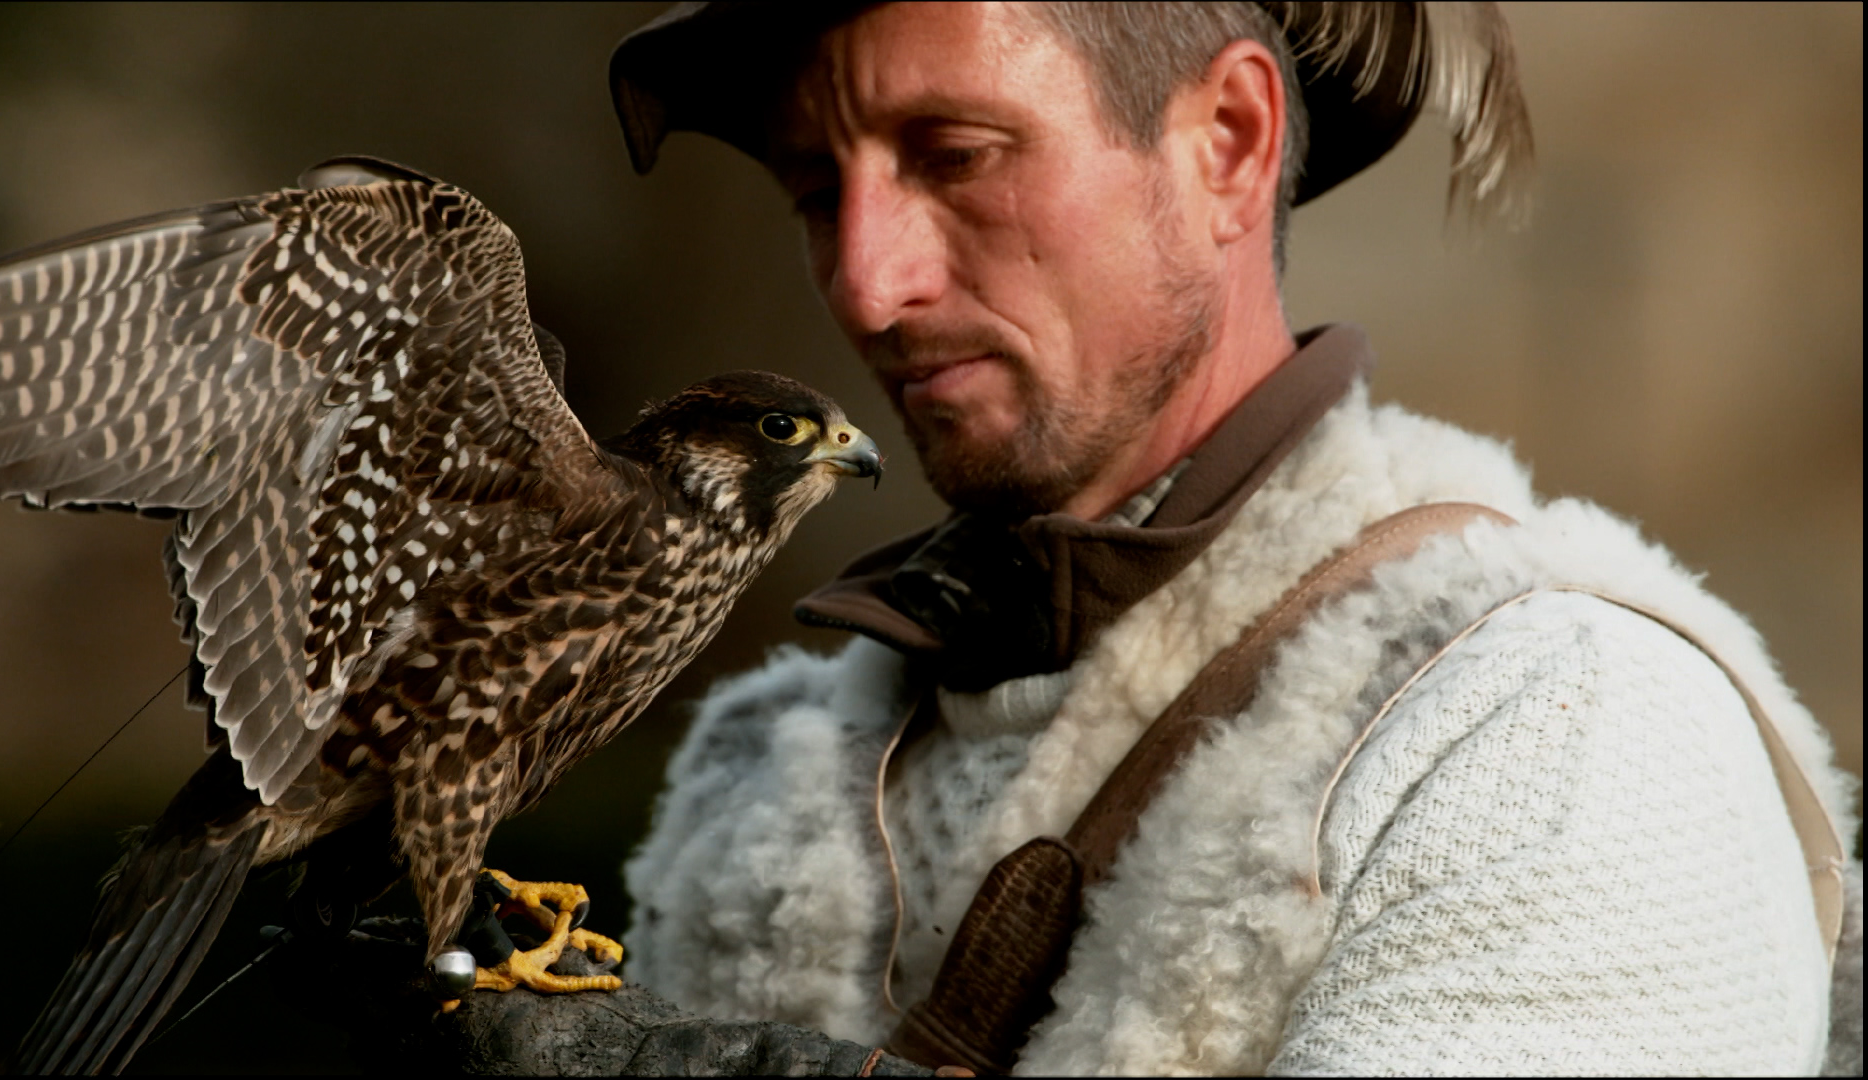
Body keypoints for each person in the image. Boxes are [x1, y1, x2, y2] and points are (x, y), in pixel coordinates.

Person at [606, 3, 1862, 1074]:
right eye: (816, 193)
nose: (869, 286)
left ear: (1228, 141)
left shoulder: (1554, 732)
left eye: (956, 155)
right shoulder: (769, 781)